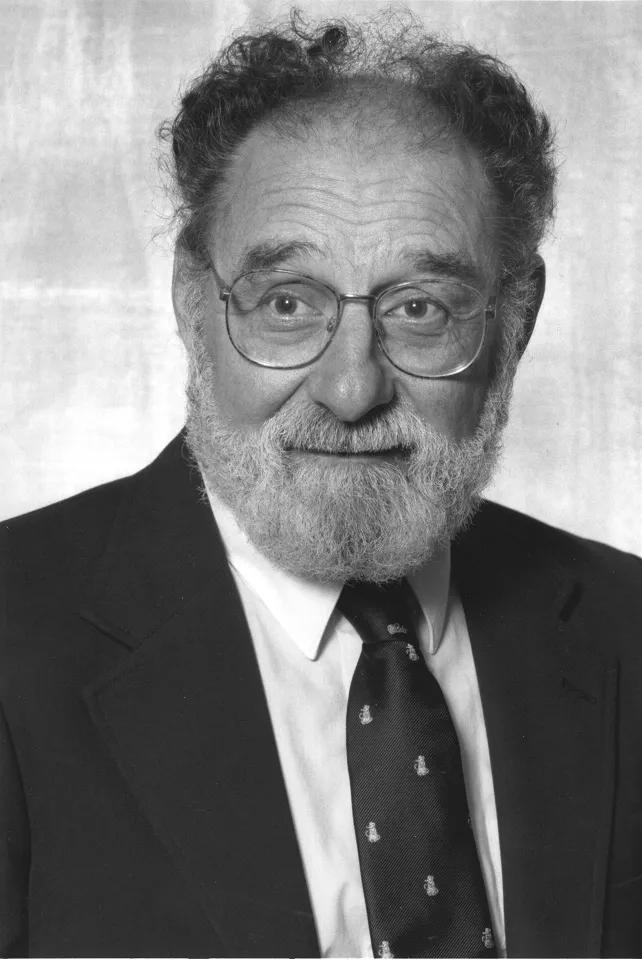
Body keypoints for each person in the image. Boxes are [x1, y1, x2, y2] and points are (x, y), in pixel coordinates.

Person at [1, 11, 641, 959]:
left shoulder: (626, 628)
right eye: (288, 303)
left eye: (420, 309)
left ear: (516, 322)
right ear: (193, 304)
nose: (351, 390)